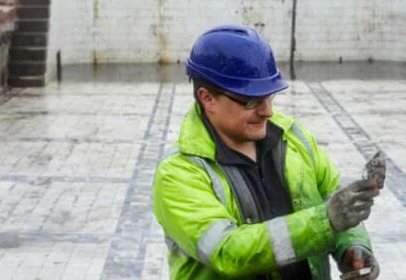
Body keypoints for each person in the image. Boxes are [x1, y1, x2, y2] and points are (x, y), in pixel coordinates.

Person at [152, 24, 381, 280]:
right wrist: (325, 222)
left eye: (270, 96)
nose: (267, 111)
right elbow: (228, 252)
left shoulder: (293, 137)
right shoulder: (178, 173)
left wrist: (352, 246)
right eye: (251, 101)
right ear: (207, 98)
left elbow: (334, 197)